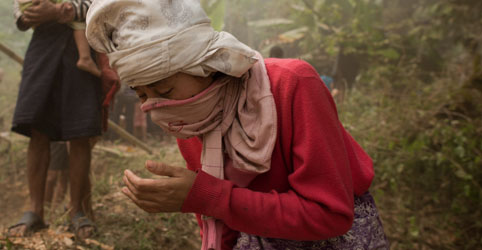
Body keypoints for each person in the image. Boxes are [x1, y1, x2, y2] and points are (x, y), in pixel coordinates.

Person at [86, 0, 389, 249]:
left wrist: (205, 196)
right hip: (256, 233)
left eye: (164, 91)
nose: (157, 108)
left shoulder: (294, 84)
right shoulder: (187, 118)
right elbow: (217, 215)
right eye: (142, 95)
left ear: (205, 66)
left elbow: (329, 215)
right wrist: (204, 200)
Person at [9, 0, 106, 239]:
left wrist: (62, 10)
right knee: (37, 129)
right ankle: (35, 211)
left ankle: (77, 211)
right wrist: (27, 14)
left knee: (80, 132)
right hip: (42, 48)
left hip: (81, 48)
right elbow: (20, 11)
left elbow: (100, 5)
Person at [17, 0, 101, 77]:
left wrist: (58, 10)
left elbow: (103, 5)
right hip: (44, 43)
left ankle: (85, 58)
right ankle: (85, 58)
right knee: (79, 24)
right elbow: (19, 16)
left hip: (65, 48)